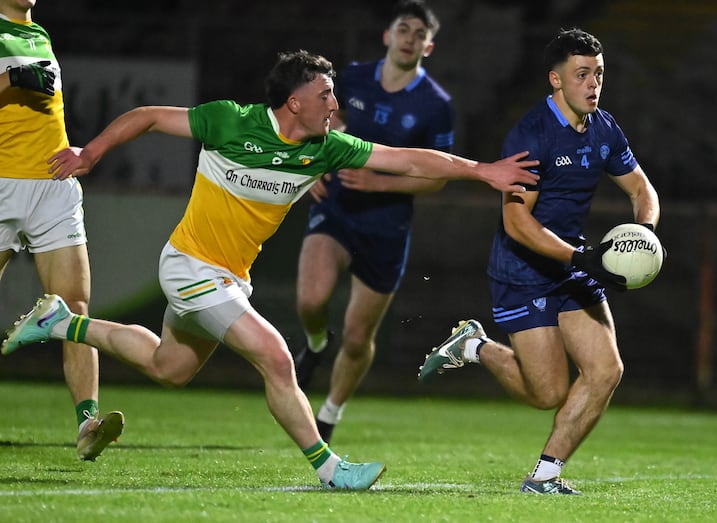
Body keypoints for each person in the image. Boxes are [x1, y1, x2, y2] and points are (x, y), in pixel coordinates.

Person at [1, 50, 537, 489]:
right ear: (294, 101)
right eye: (325, 94)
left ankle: (59, 323)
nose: (335, 102)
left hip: (229, 277)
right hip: (189, 266)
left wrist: (482, 170)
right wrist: (90, 153)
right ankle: (331, 470)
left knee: (170, 368)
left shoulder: (324, 148)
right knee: (277, 359)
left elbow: (409, 160)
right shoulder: (231, 120)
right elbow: (146, 117)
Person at [417, 28, 661, 495]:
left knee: (607, 371)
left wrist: (643, 234)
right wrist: (581, 257)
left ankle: (545, 476)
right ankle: (474, 346)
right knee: (545, 393)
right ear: (556, 79)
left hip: (573, 266)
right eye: (582, 74)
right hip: (523, 271)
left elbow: (641, 190)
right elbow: (516, 224)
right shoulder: (531, 135)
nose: (593, 84)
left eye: (599, 74)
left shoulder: (604, 128)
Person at [293, 0, 452, 443]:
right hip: (338, 208)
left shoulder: (436, 105)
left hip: (387, 226)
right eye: (404, 28)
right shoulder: (355, 77)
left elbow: (435, 179)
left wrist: (380, 183)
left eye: (419, 33)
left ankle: (329, 414)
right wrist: (310, 168)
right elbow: (322, 125)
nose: (409, 38)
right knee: (310, 299)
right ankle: (316, 344)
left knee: (360, 337)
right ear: (388, 35)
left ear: (429, 46)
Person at [0, 0, 123, 461]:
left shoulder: (40, 34)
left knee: (73, 307)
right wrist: (11, 79)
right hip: (2, 182)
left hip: (52, 185)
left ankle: (88, 423)